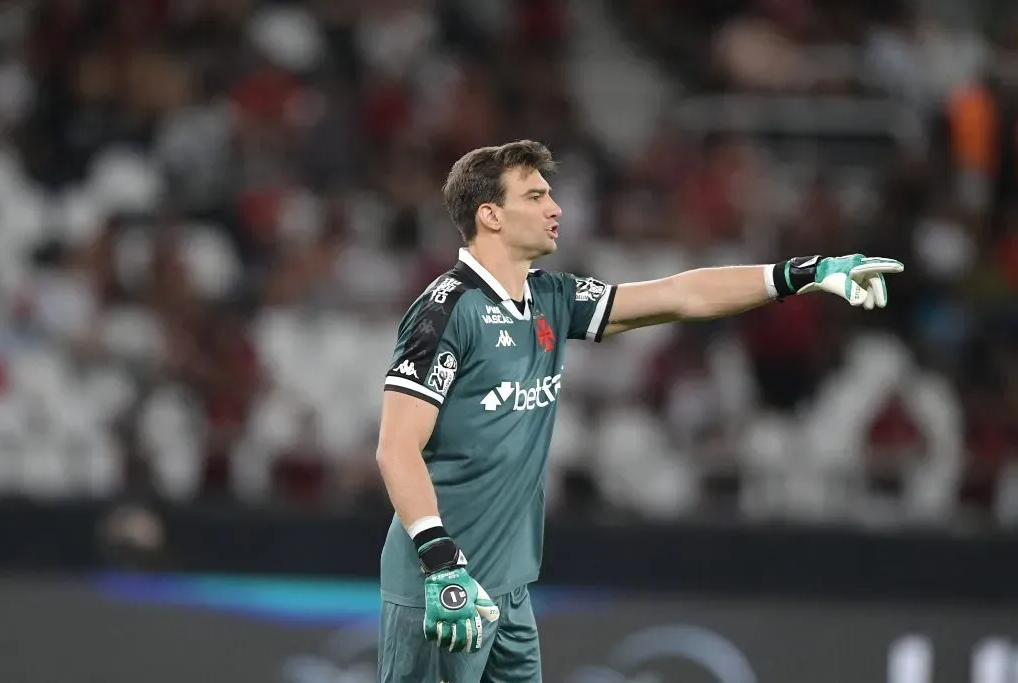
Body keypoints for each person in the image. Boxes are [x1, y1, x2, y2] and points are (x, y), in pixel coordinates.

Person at [375, 140, 903, 682]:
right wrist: (439, 561)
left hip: (507, 590)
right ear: (490, 215)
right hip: (443, 585)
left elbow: (681, 296)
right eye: (535, 197)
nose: (556, 208)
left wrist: (802, 273)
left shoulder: (551, 298)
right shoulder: (444, 313)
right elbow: (396, 447)